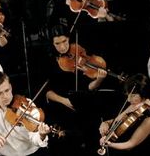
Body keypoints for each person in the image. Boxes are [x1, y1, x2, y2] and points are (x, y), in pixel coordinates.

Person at [44, 24, 111, 156]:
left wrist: (98, 80)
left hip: (82, 101)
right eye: (57, 44)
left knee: (91, 129)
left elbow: (89, 87)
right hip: (61, 105)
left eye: (65, 41)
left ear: (69, 39)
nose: (62, 47)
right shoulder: (48, 61)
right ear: (52, 44)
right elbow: (47, 92)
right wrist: (65, 101)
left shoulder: (78, 52)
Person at [98, 73, 150, 155]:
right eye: (128, 94)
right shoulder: (133, 105)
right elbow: (116, 121)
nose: (128, 99)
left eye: (133, 95)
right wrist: (105, 123)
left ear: (143, 93)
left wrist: (110, 144)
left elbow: (130, 144)